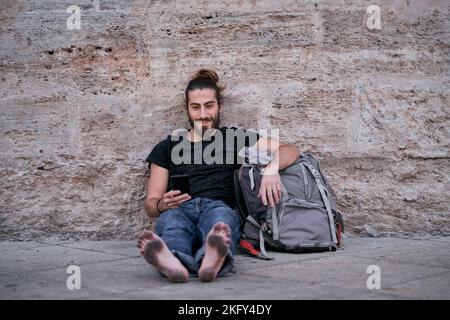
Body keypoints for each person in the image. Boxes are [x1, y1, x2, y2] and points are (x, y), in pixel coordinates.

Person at [137, 69, 300, 282]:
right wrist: (162, 205)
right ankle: (172, 261)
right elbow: (151, 205)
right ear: (187, 108)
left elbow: (290, 150)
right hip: (179, 210)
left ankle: (211, 257)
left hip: (219, 207)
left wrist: (271, 169)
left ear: (219, 106)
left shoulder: (235, 139)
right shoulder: (166, 148)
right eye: (195, 107)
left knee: (220, 223)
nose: (203, 114)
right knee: (171, 224)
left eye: (209, 106)